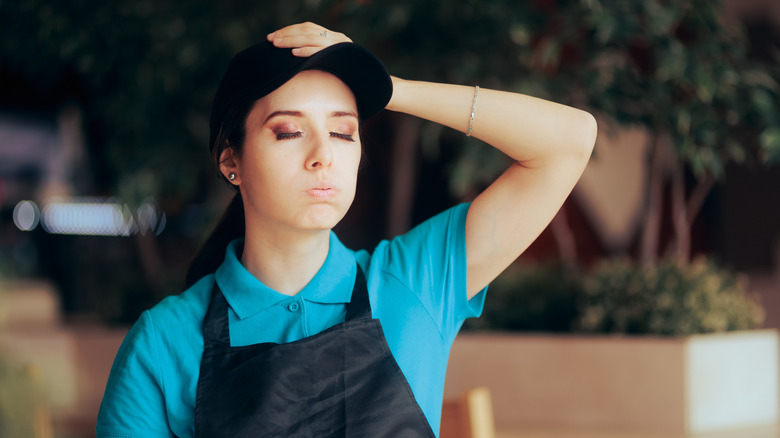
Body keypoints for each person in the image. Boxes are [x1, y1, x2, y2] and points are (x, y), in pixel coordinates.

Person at [97, 22, 597, 437]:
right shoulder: (164, 342)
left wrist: (391, 88)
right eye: (290, 132)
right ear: (232, 161)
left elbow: (570, 141)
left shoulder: (413, 283)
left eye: (343, 131)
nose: (324, 155)